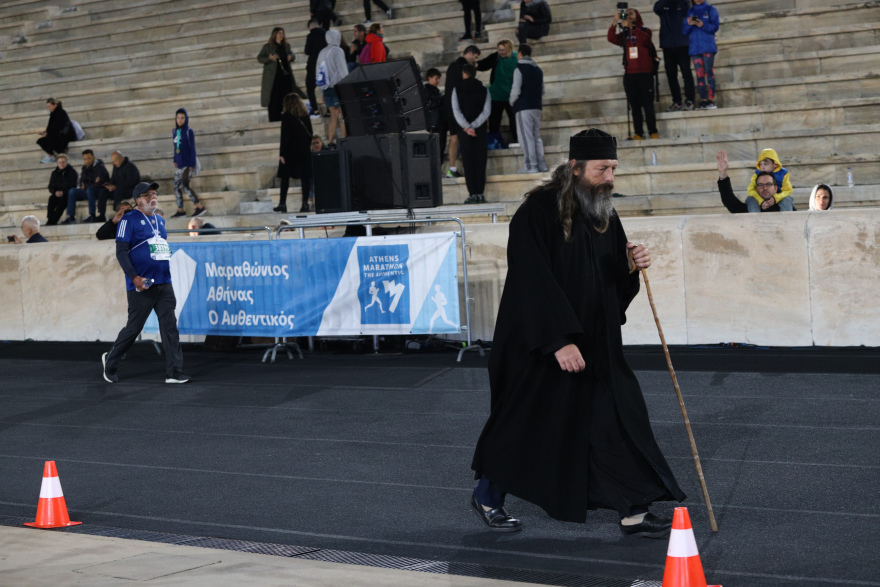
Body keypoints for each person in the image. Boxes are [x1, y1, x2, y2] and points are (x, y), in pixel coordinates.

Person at [471, 128, 685, 537]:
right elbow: (531, 281)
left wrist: (630, 265)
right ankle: (486, 494)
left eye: (613, 168)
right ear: (574, 167)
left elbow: (608, 281)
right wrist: (559, 340)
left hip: (598, 344)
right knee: (531, 423)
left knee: (619, 420)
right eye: (602, 169)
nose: (609, 177)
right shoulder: (537, 211)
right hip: (543, 344)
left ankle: (634, 511)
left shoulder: (605, 213)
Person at [102, 182, 191, 384]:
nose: (153, 197)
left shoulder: (160, 221)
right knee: (134, 329)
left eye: (154, 193)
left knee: (169, 327)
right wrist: (134, 278)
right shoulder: (129, 219)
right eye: (146, 194)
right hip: (141, 284)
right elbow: (121, 251)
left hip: (163, 282)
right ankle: (110, 361)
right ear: (138, 200)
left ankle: (174, 373)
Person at [608, 8, 659, 140]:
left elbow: (645, 41)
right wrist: (614, 22)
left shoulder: (645, 30)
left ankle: (653, 131)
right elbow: (611, 38)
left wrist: (632, 27)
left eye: (631, 13)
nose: (628, 15)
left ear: (638, 16)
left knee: (647, 105)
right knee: (635, 106)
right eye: (626, 14)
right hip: (630, 74)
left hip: (645, 74)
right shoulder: (624, 35)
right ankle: (638, 133)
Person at [452, 64, 491, 205]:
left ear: (464, 73)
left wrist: (467, 127)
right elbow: (486, 111)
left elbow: (456, 111)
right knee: (481, 162)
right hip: (479, 131)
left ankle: (472, 194)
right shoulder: (484, 89)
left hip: (465, 132)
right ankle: (480, 193)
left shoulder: (457, 89)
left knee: (468, 163)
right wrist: (474, 126)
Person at [509, 44, 547, 174]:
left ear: (519, 53)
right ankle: (541, 164)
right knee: (536, 137)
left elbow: (515, 90)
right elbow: (543, 90)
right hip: (536, 106)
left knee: (526, 137)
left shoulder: (519, 68)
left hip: (523, 107)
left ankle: (531, 166)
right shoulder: (538, 70)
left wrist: (511, 102)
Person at [715, 150, 794, 213]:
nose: (764, 187)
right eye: (760, 184)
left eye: (768, 184)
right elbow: (730, 202)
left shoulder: (787, 208)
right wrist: (722, 174)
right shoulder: (750, 207)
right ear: (756, 188)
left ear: (776, 188)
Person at [444, 45, 481, 178]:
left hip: (449, 106)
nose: (475, 61)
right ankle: (468, 168)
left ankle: (452, 169)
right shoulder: (464, 67)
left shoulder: (452, 65)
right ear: (470, 53)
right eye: (475, 57)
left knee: (454, 137)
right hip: (459, 108)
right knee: (464, 136)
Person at [653, 0, 695, 111]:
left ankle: (690, 100)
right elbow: (656, 9)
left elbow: (687, 11)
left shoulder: (684, 2)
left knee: (686, 73)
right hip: (667, 45)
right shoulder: (662, 4)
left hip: (682, 44)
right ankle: (676, 101)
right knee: (671, 75)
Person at [275, 93, 314, 213]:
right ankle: (305, 204)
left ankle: (282, 203)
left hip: (290, 152)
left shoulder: (287, 116)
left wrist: (282, 153)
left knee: (285, 178)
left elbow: (285, 136)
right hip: (304, 151)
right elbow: (311, 134)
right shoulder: (305, 116)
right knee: (305, 178)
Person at [476, 39, 518, 148]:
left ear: (509, 49)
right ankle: (493, 142)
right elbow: (483, 64)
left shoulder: (517, 58)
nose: (501, 52)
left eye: (503, 50)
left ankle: (517, 140)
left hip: (511, 96)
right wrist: (473, 64)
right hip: (496, 95)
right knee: (494, 121)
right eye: (499, 50)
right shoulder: (496, 57)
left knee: (514, 120)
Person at [259, 27, 305, 123]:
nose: (281, 35)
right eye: (279, 33)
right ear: (275, 34)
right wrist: (269, 58)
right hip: (273, 77)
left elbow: (292, 55)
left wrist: (291, 57)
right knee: (274, 98)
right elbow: (260, 58)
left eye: (282, 33)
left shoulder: (286, 46)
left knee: (287, 97)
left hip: (286, 76)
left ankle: (290, 116)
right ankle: (274, 119)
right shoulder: (268, 46)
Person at [682, 0, 719, 110]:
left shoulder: (711, 9)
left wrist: (703, 25)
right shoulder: (690, 11)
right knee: (699, 75)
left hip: (707, 47)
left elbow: (715, 27)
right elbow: (684, 31)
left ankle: (711, 100)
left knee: (709, 72)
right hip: (695, 49)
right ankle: (703, 100)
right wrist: (689, 24)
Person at [170, 108, 207, 219]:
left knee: (185, 184)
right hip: (180, 164)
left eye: (182, 118)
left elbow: (192, 148)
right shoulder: (174, 131)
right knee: (176, 186)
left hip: (188, 164)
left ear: (186, 119)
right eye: (178, 118)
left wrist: (191, 164)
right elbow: (175, 147)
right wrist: (174, 160)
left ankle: (199, 207)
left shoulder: (188, 131)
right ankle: (180, 210)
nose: (180, 120)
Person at [316, 30, 349, 146]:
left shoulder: (321, 52)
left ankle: (330, 141)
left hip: (326, 88)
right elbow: (343, 70)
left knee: (333, 115)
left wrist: (322, 90)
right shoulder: (338, 51)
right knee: (342, 114)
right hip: (338, 87)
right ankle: (344, 139)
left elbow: (318, 73)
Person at [64, 149, 110, 224]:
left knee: (90, 190)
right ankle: (71, 217)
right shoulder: (84, 168)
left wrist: (87, 185)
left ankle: (92, 215)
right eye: (85, 159)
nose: (87, 161)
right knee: (72, 191)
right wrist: (92, 182)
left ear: (94, 158)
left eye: (89, 158)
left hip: (97, 192)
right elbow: (82, 181)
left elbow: (100, 183)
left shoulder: (100, 167)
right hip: (88, 191)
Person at [37, 98, 76, 164]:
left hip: (64, 137)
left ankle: (50, 155)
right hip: (55, 136)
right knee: (40, 141)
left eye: (50, 106)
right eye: (48, 107)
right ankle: (52, 155)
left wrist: (49, 134)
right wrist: (46, 133)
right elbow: (50, 128)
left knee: (49, 138)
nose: (49, 108)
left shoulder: (62, 113)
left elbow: (63, 128)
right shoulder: (52, 115)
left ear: (55, 105)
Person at [305, 20, 329, 119]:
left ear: (310, 27)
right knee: (326, 88)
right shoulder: (326, 34)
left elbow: (307, 51)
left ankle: (315, 111)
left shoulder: (310, 36)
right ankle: (329, 110)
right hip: (325, 65)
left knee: (310, 88)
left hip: (313, 65)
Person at [46, 154, 78, 226]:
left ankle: (53, 220)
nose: (61, 164)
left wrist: (63, 192)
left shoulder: (72, 172)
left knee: (63, 202)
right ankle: (49, 219)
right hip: (57, 193)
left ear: (66, 162)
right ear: (57, 163)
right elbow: (50, 186)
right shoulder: (54, 173)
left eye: (63, 162)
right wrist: (55, 192)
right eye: (59, 162)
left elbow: (73, 186)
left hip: (67, 194)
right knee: (51, 199)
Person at [424, 68, 447, 166]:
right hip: (434, 123)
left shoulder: (436, 91)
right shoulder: (426, 90)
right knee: (436, 147)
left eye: (439, 79)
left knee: (441, 147)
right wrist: (441, 99)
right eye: (436, 79)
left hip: (440, 123)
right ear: (429, 78)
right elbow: (428, 104)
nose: (438, 81)